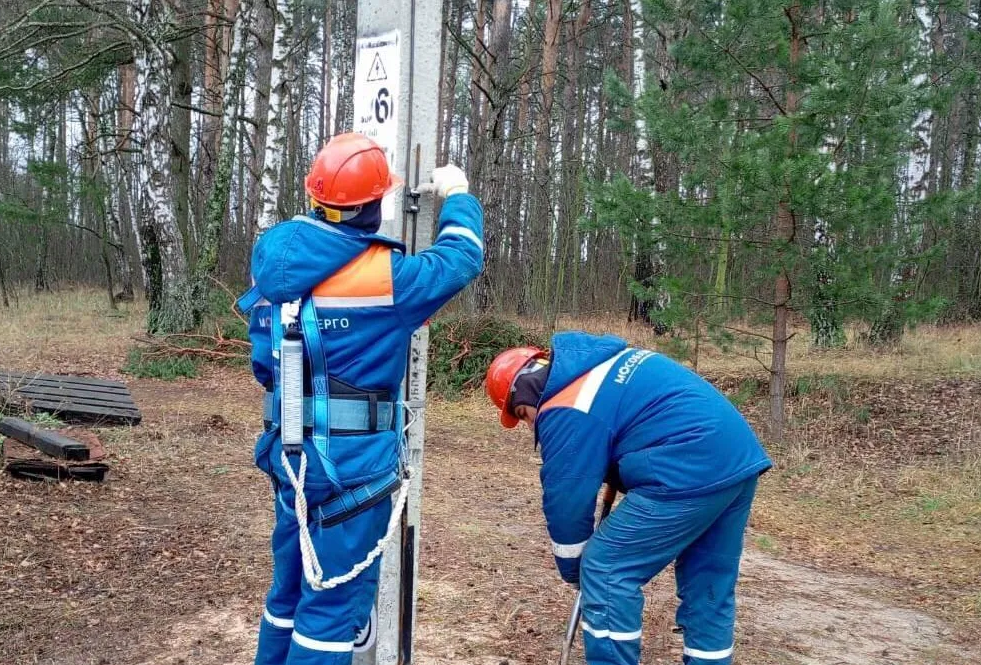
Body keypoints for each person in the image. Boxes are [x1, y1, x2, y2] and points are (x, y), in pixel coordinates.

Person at [237, 132, 483, 665]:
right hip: (353, 473)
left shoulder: (272, 266)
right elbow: (461, 258)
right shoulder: (383, 278)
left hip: (290, 462)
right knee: (330, 609)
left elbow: (265, 366)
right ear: (372, 206)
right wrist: (457, 193)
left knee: (287, 596)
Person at [484, 332, 772, 665]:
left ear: (524, 390)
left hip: (687, 467)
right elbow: (635, 420)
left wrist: (575, 569)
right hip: (736, 459)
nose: (528, 423)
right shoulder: (597, 366)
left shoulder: (565, 403)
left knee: (605, 569)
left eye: (521, 414)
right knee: (709, 584)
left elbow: (566, 499)